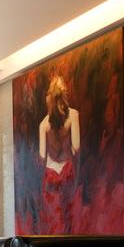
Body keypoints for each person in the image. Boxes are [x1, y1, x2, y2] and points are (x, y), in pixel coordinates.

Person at [38, 76, 80, 233]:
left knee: (54, 222)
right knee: (69, 218)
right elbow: (76, 147)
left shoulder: (43, 124)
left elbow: (42, 156)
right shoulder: (74, 116)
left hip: (50, 176)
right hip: (67, 172)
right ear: (65, 95)